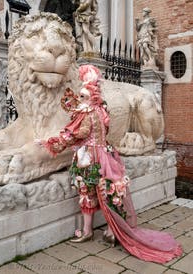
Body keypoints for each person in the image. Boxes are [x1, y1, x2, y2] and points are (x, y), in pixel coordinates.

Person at [36, 64, 182, 263]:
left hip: (89, 159)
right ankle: (107, 231)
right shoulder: (101, 110)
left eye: (82, 95)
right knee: (108, 194)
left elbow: (73, 135)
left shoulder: (86, 114)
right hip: (106, 155)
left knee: (92, 193)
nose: (79, 98)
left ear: (88, 95)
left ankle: (92, 231)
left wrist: (48, 143)